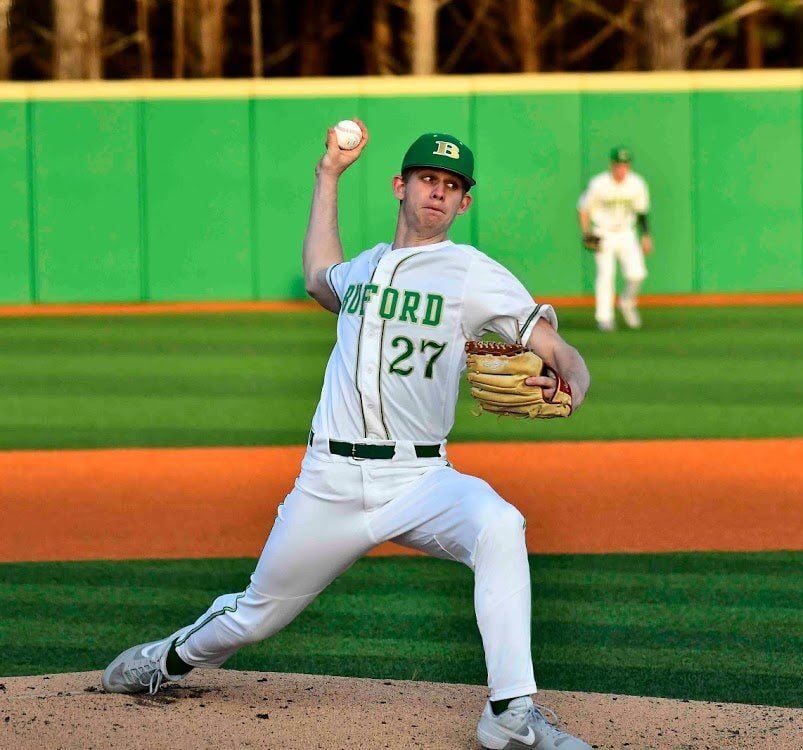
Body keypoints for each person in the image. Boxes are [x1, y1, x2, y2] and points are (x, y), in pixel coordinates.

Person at [100, 123, 594, 750]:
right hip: (328, 483)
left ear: (464, 202)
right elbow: (316, 275)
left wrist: (573, 377)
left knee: (500, 524)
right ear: (400, 186)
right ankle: (169, 659)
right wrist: (328, 174)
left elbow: (552, 343)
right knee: (255, 616)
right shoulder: (361, 272)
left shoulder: (470, 273)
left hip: (420, 479)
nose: (438, 193)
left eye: (451, 186)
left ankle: (510, 712)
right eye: (427, 180)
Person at [577, 146, 653, 331]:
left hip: (627, 232)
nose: (621, 169)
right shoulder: (599, 183)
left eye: (625, 165)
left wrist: (645, 236)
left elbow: (642, 211)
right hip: (603, 232)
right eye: (618, 165)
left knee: (637, 273)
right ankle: (604, 318)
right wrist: (587, 232)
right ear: (612, 165)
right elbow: (583, 208)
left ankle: (627, 302)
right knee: (606, 274)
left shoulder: (637, 184)